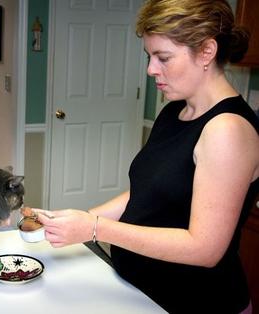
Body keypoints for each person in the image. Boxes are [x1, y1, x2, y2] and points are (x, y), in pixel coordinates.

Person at [35, 0, 259, 313]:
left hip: (197, 302)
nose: (151, 69)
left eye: (163, 57)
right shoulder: (173, 112)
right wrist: (74, 219)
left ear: (207, 51)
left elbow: (205, 248)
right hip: (143, 293)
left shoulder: (228, 130)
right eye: (150, 56)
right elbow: (147, 195)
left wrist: (96, 227)